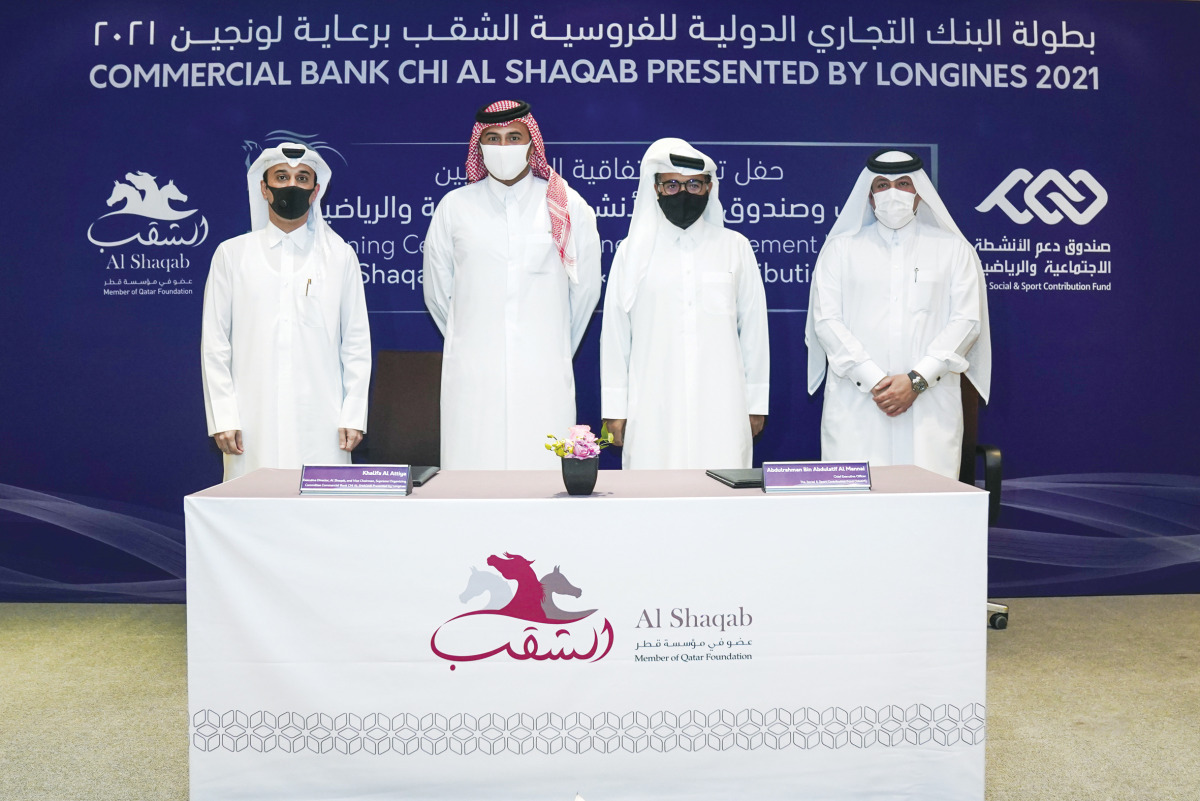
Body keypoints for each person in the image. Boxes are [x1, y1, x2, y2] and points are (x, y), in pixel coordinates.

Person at [423, 100, 602, 469]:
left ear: (532, 144)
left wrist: (551, 348)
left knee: (544, 478)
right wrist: (471, 340)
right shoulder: (454, 207)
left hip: (544, 374)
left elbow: (584, 293)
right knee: (471, 477)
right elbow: (439, 295)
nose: (503, 148)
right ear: (479, 146)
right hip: (474, 374)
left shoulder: (568, 205)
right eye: (493, 138)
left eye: (513, 137)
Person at [805, 149, 991, 478]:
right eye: (881, 185)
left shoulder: (953, 250)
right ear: (870, 195)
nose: (892, 193)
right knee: (855, 513)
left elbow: (967, 322)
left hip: (929, 406)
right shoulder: (840, 250)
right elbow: (826, 321)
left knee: (928, 510)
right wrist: (876, 380)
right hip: (857, 403)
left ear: (920, 191)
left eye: (903, 183)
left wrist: (916, 382)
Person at [201, 143, 371, 482]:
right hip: (251, 423)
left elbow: (355, 343)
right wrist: (224, 417)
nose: (291, 186)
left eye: (302, 178)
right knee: (252, 516)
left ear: (315, 191)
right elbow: (215, 345)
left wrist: (353, 414)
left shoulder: (339, 256)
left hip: (323, 423)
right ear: (264, 188)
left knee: (323, 519)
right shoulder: (232, 255)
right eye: (281, 177)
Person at [600, 138, 769, 469]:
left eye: (693, 184)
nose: (684, 193)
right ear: (657, 189)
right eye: (672, 184)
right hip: (652, 406)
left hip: (723, 404)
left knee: (723, 495)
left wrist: (756, 403)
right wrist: (614, 409)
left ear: (708, 187)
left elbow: (754, 332)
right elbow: (616, 335)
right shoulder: (632, 253)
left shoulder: (734, 247)